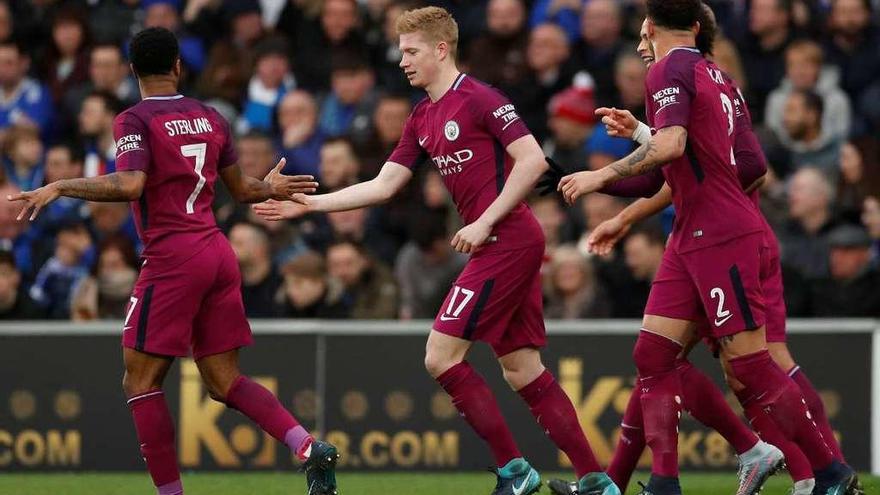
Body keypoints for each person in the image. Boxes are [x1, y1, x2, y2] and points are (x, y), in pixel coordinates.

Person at [253, 7, 619, 495]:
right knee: (521, 369)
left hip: (506, 237)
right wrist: (311, 205)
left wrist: (486, 219)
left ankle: (516, 471)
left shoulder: (480, 97)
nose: (402, 61)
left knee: (440, 356)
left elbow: (533, 161)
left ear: (441, 49)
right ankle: (597, 482)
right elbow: (386, 184)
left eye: (411, 52)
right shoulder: (423, 114)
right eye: (400, 52)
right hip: (501, 238)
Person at [7, 27, 338, 495]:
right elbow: (242, 189)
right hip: (217, 253)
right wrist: (271, 187)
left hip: (173, 258)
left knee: (139, 380)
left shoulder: (133, 120)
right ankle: (307, 447)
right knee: (223, 381)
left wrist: (60, 185)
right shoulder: (210, 116)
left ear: (132, 71)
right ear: (178, 67)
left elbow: (130, 185)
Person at [550, 2, 856, 494]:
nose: (639, 44)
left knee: (753, 365)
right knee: (653, 354)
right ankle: (672, 482)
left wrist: (600, 174)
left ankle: (829, 473)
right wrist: (641, 169)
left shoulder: (668, 69)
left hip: (719, 234)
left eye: (642, 33)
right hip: (698, 233)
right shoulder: (718, 76)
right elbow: (736, 163)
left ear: (650, 27)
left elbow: (673, 150)